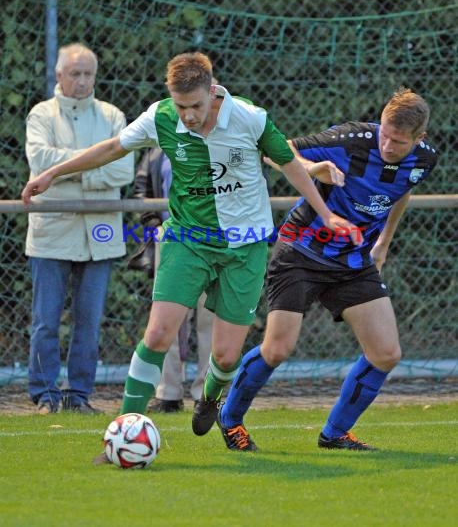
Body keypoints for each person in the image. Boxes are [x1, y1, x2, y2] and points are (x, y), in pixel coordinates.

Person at [21, 52, 358, 450]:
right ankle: (124, 431)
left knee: (227, 356)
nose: (189, 115)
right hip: (187, 239)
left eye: (196, 106)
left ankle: (211, 397)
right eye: (181, 106)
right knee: (159, 332)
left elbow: (290, 164)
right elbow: (114, 147)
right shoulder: (162, 116)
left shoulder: (249, 118)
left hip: (244, 245)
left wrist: (326, 214)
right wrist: (51, 173)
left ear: (212, 91)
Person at [217, 87, 438, 451]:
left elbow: (403, 190)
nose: (386, 145)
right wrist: (311, 168)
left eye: (398, 142)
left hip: (353, 260)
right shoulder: (351, 139)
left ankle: (335, 433)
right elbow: (277, 150)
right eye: (384, 133)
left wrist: (383, 242)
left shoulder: (425, 159)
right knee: (277, 350)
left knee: (386, 353)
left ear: (419, 139)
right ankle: (230, 419)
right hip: (301, 250)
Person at [24, 43, 134, 415]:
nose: (83, 81)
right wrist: (95, 166)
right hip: (51, 234)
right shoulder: (41, 115)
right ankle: (44, 395)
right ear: (59, 75)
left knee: (89, 322)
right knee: (46, 322)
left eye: (88, 73)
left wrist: (64, 171)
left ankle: (79, 395)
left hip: (100, 236)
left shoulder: (113, 116)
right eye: (75, 73)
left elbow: (124, 170)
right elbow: (39, 161)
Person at [128, 146, 213, 412]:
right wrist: (156, 226)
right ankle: (169, 394)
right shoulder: (158, 150)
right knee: (167, 323)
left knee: (211, 320)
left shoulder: (225, 142)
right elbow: (141, 190)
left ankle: (207, 394)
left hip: (215, 241)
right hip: (172, 241)